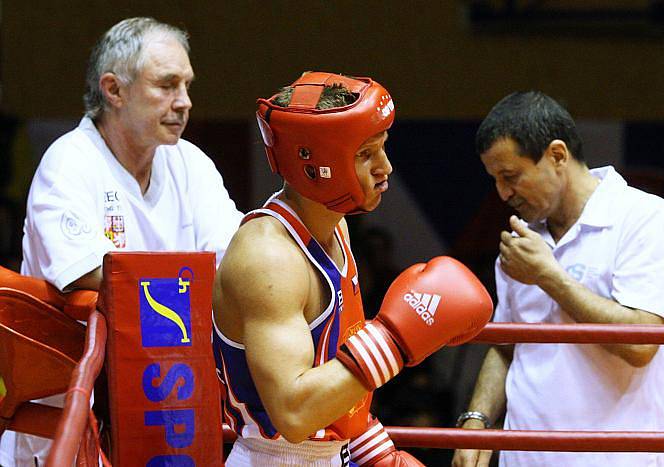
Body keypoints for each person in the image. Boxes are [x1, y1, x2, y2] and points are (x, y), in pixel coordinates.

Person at [212, 71, 493, 466]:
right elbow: (293, 414)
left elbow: (335, 378)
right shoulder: (268, 256)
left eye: (383, 148)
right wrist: (394, 340)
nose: (385, 168)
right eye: (365, 154)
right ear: (316, 165)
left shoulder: (336, 228)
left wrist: (376, 452)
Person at [0, 17, 243, 467]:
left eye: (187, 85)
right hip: (75, 413)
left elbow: (239, 261)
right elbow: (88, 273)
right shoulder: (68, 164)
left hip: (171, 397)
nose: (184, 102)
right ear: (113, 90)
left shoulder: (191, 163)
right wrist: (192, 276)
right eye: (167, 85)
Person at [452, 91, 664, 467]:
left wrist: (548, 276)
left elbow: (642, 344)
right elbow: (506, 344)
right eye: (495, 179)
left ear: (557, 155)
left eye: (511, 176)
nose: (502, 193)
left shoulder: (645, 219)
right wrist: (477, 418)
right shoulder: (520, 240)